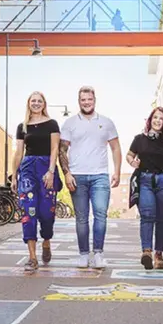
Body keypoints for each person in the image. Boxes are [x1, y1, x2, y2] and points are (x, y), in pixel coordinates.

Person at [59, 86, 122, 269]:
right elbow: (62, 150)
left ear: (95, 100)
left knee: (100, 214)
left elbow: (115, 148)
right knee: (81, 217)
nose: (86, 102)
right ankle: (84, 254)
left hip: (100, 176)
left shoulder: (106, 122)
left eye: (89, 99)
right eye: (83, 100)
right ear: (79, 101)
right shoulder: (70, 123)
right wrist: (67, 174)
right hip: (77, 176)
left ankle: (99, 253)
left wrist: (117, 171)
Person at [11, 92, 62, 271]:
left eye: (39, 101)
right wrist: (14, 175)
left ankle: (46, 240)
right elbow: (19, 152)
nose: (36, 103)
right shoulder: (22, 126)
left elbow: (55, 148)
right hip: (27, 169)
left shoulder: (52, 124)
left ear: (44, 104)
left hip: (46, 167)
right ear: (28, 103)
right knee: (28, 211)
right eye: (33, 101)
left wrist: (51, 171)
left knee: (47, 212)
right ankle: (32, 257)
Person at [126, 107, 163, 270]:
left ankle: (159, 254)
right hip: (145, 180)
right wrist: (132, 162)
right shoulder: (139, 139)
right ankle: (147, 252)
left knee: (162, 217)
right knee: (147, 215)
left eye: (161, 118)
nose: (158, 121)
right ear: (150, 120)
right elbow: (129, 155)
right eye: (155, 117)